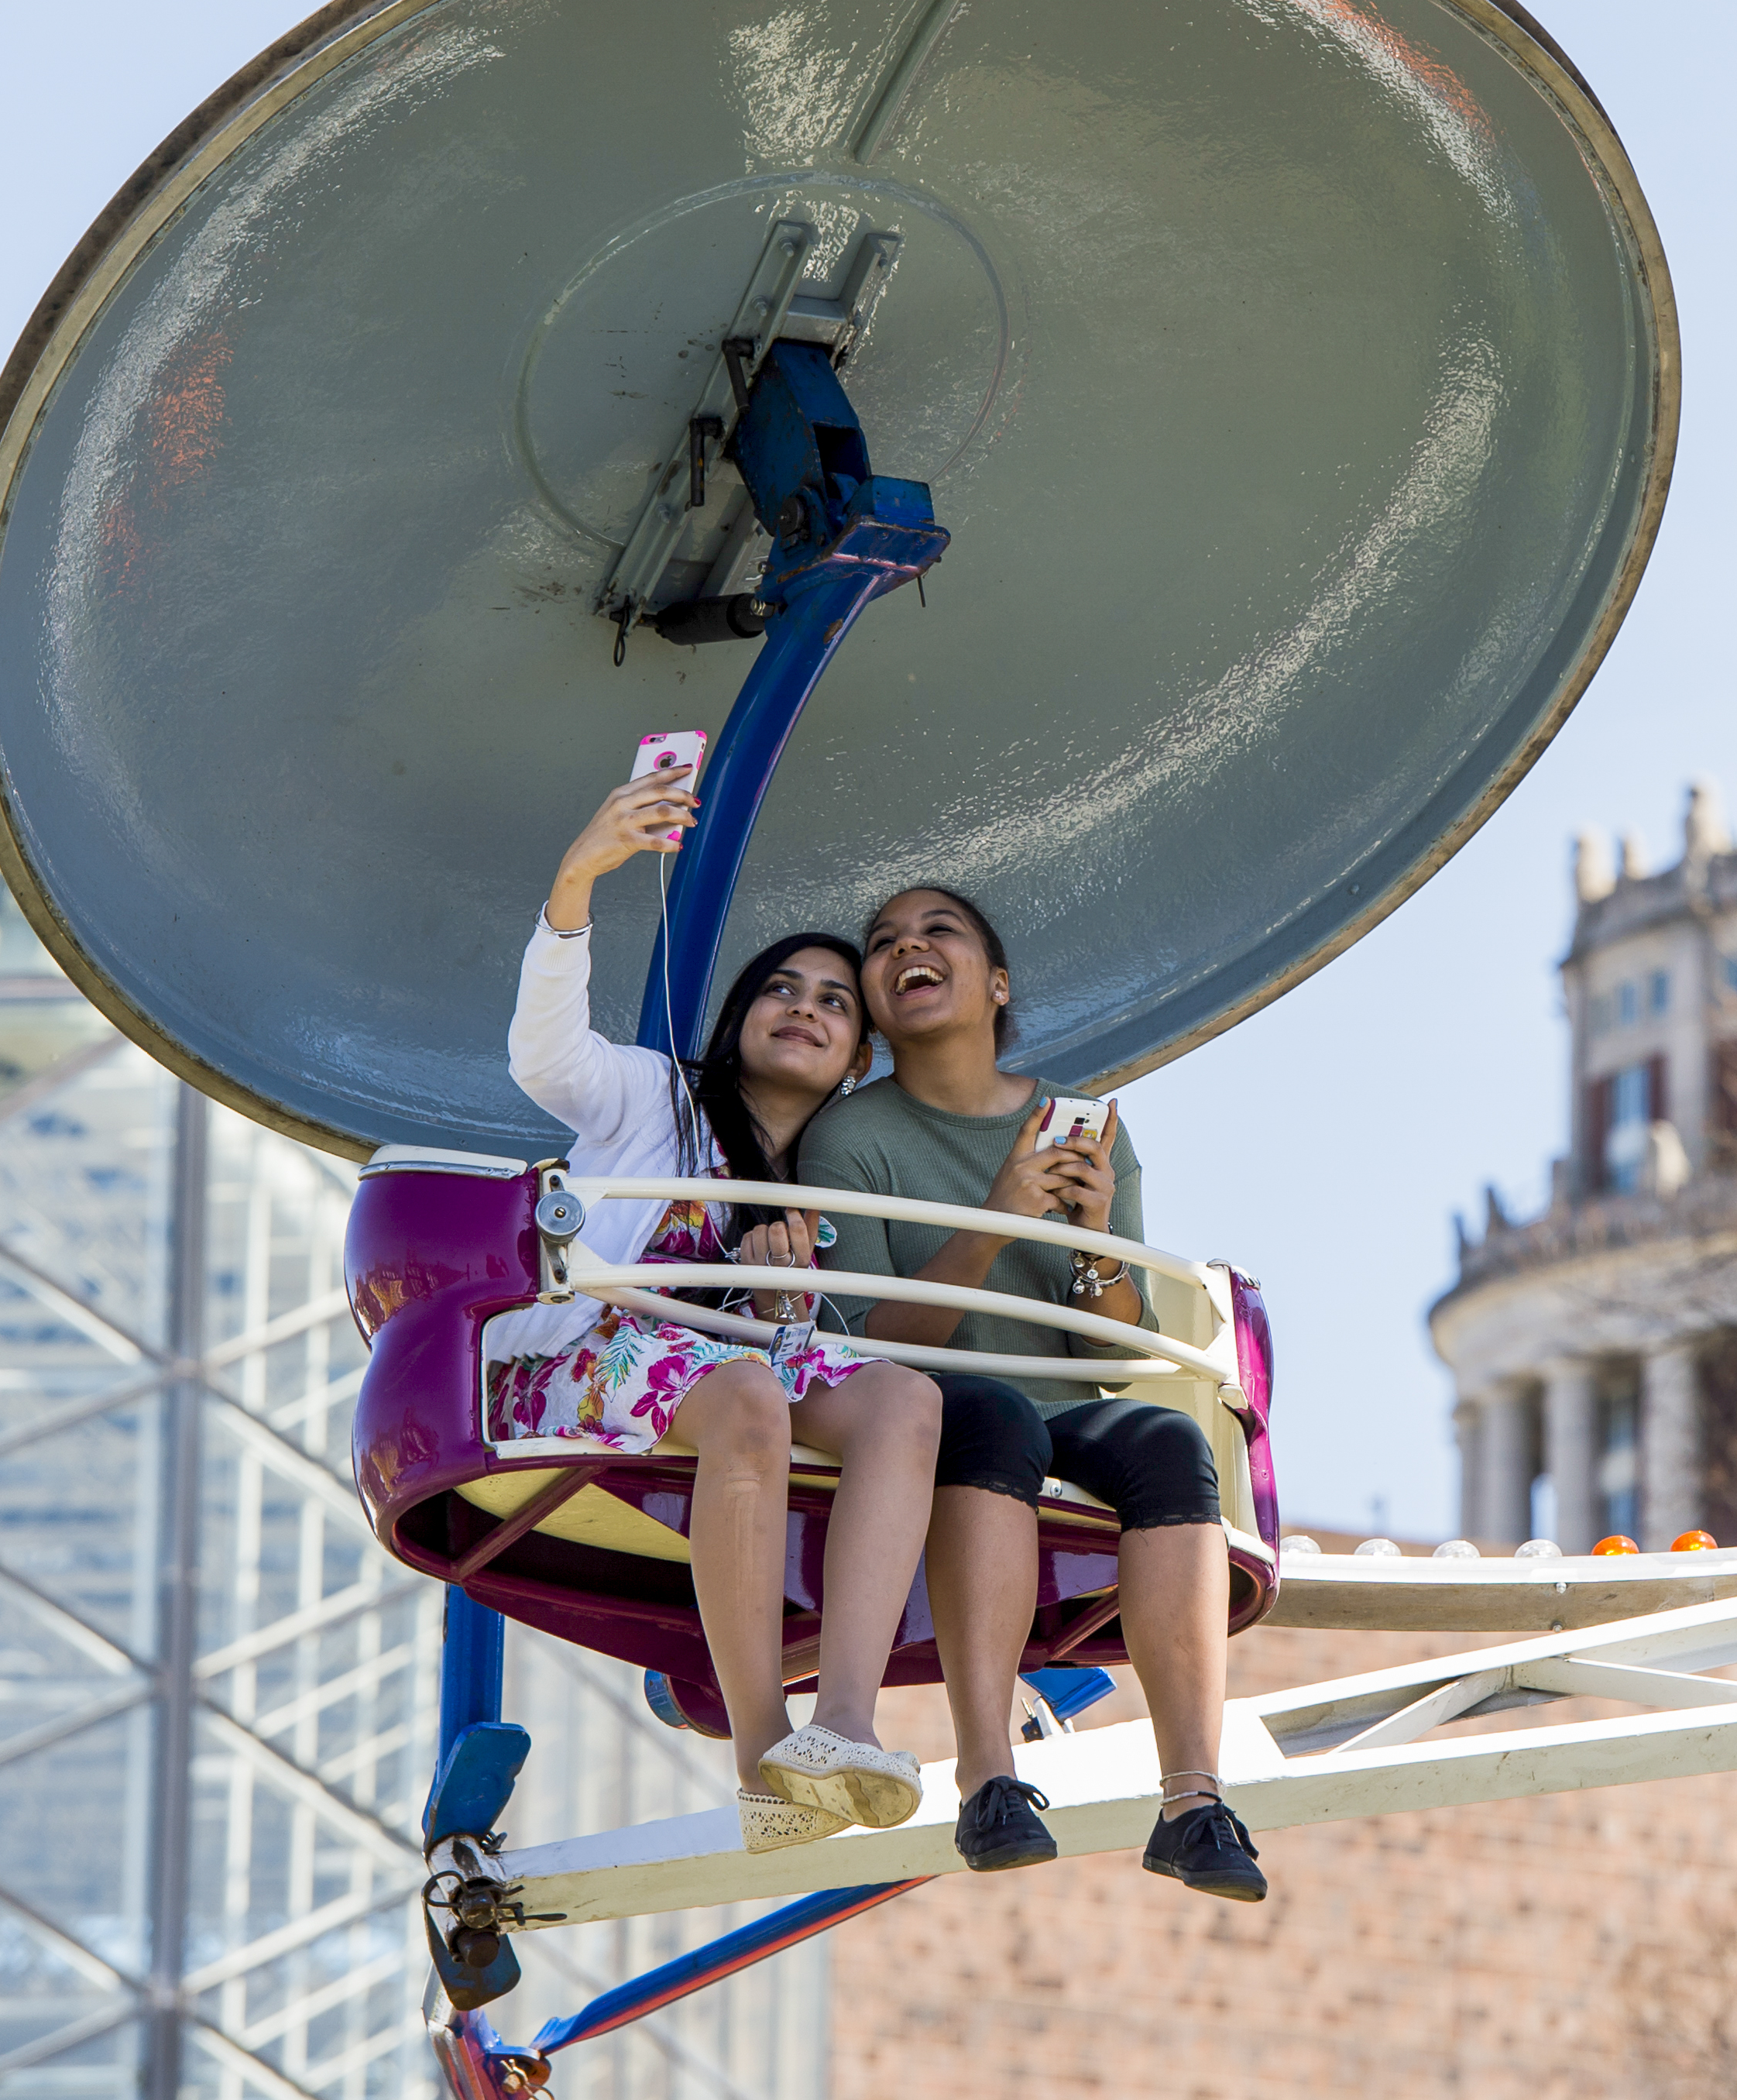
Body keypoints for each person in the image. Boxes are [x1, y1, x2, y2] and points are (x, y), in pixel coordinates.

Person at [492, 768, 942, 1851]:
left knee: (903, 1401)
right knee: (744, 1394)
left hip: (719, 1381)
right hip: (586, 1358)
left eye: (836, 1004)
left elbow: (788, 1348)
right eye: (783, 989)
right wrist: (579, 876)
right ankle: (760, 1752)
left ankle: (839, 1724)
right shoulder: (656, 1098)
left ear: (857, 1061)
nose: (806, 1008)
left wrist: (787, 1294)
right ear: (740, 1018)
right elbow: (545, 1056)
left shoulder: (823, 1182)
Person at [802, 884, 1268, 1902]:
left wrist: (1096, 1246)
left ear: (997, 981)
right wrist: (1001, 1216)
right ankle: (987, 1773)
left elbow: (1108, 1346)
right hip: (927, 1411)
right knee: (996, 1415)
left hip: (1058, 1403)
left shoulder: (1091, 1128)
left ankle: (1193, 1798)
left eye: (938, 933)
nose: (907, 948)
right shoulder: (849, 1141)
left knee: (1165, 1443)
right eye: (884, 942)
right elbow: (874, 1343)